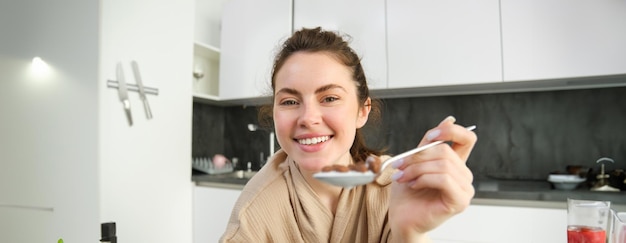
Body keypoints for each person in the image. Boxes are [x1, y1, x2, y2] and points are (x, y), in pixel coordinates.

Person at [220, 27, 477, 243]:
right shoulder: (253, 215)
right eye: (289, 101)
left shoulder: (396, 187)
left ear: (362, 111)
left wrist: (409, 231)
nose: (308, 118)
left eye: (329, 98)